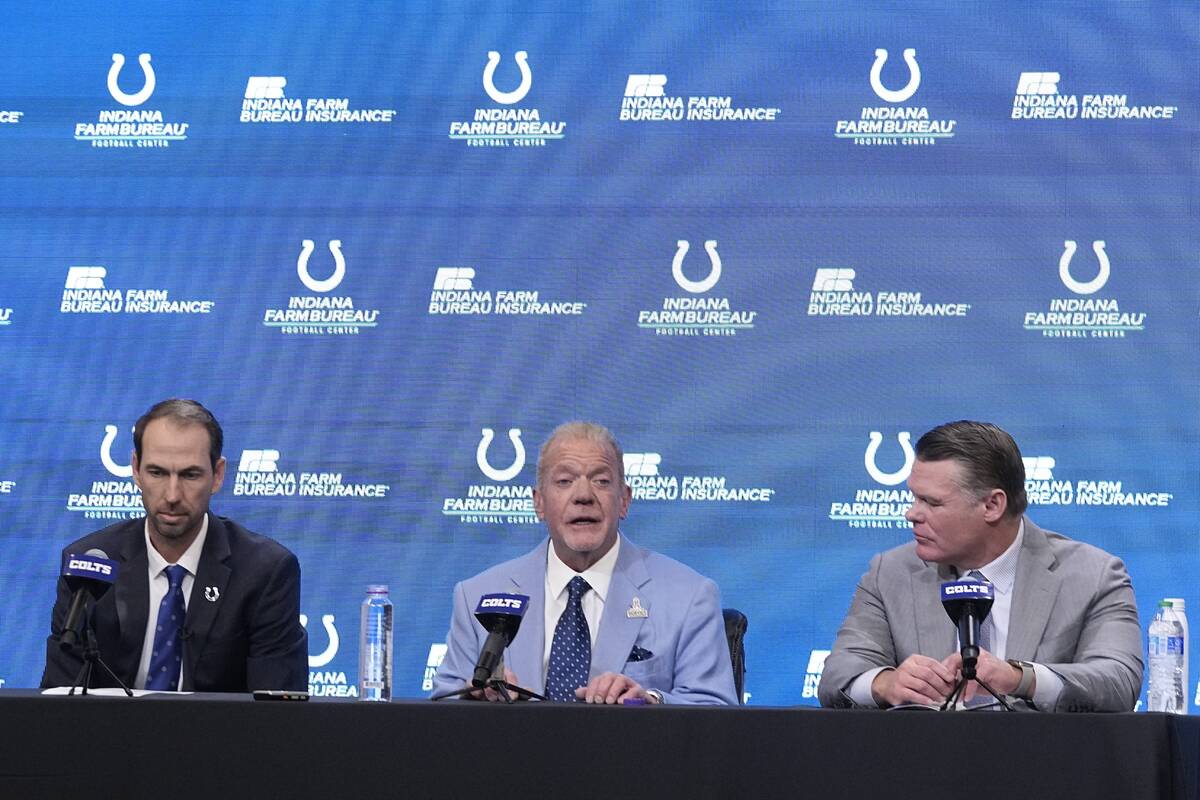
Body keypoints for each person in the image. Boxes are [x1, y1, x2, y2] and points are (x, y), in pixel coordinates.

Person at [818, 420, 1142, 712]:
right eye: (914, 498)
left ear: (992, 505)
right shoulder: (890, 573)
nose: (911, 513)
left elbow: (1118, 682)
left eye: (931, 502)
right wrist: (886, 684)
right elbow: (838, 675)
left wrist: (1019, 678)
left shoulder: (1093, 576)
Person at [432, 421, 737, 705]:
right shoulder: (478, 595)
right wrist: (474, 700)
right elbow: (443, 706)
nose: (583, 496)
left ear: (624, 501)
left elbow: (716, 708)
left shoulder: (689, 596)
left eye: (601, 481)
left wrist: (650, 701)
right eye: (564, 481)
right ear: (538, 503)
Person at [41, 398, 308, 692]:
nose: (172, 494)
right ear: (135, 469)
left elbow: (276, 712)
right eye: (157, 473)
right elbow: (61, 699)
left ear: (217, 475)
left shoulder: (265, 571)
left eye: (189, 475)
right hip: (110, 736)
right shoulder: (90, 565)